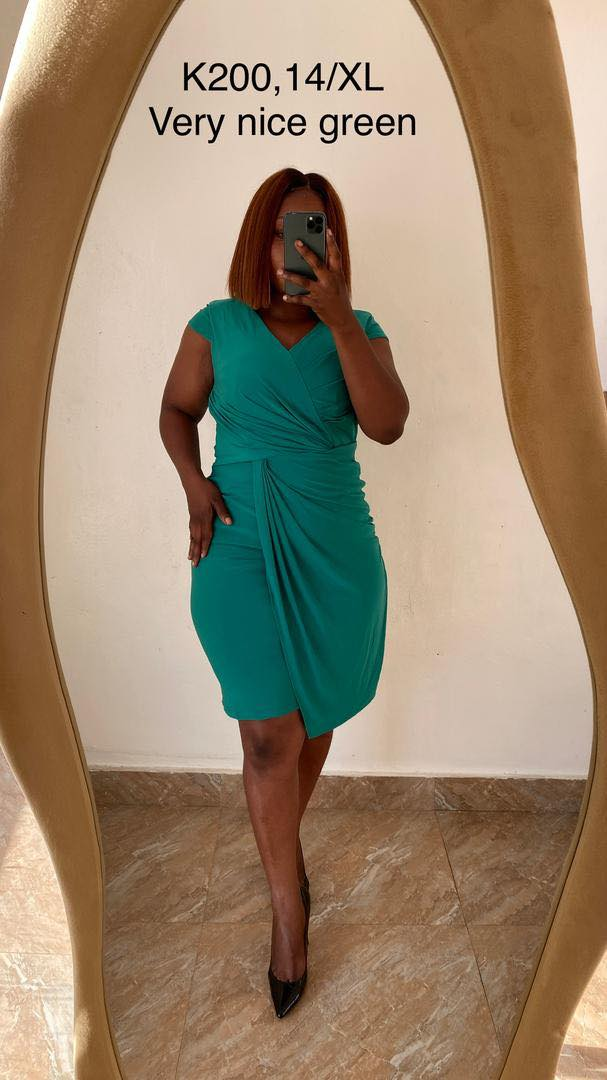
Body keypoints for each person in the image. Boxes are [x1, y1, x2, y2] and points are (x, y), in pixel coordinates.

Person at [159, 167, 409, 1017]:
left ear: (332, 244)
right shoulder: (216, 324)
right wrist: (194, 485)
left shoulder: (361, 329)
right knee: (267, 735)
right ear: (258, 239)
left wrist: (339, 320)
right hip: (236, 544)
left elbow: (387, 424)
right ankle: (287, 914)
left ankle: (283, 851)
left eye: (315, 230)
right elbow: (175, 410)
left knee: (313, 719)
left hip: (335, 547)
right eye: (282, 229)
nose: (297, 246)